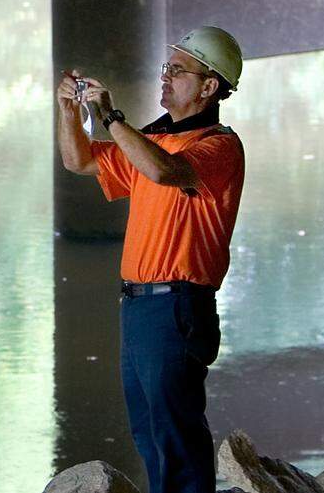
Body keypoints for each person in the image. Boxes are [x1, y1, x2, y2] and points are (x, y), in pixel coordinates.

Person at [56, 26, 246, 493]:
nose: (166, 77)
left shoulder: (218, 146)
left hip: (176, 306)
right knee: (150, 435)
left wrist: (111, 117)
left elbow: (165, 172)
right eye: (167, 67)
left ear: (209, 86)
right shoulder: (153, 142)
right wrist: (68, 112)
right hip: (141, 306)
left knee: (175, 437)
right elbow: (79, 162)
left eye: (178, 71)